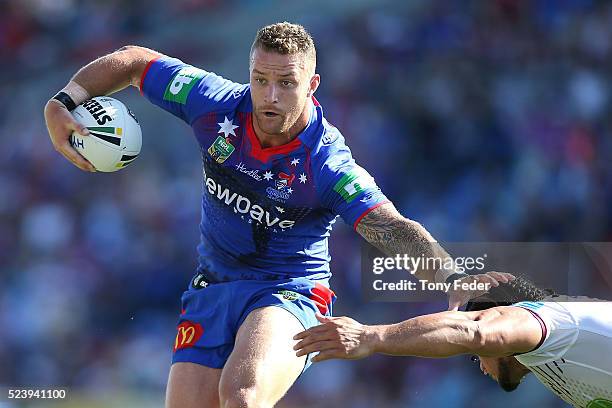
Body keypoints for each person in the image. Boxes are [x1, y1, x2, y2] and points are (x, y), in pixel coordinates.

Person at [44, 22, 509, 408]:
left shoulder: (326, 163)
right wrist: (62, 102)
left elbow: (388, 226)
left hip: (289, 293)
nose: (270, 96)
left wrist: (453, 278)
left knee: (241, 397)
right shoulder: (214, 103)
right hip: (213, 287)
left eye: (286, 83)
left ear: (312, 85)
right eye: (261, 79)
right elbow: (134, 61)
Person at [294, 276, 612, 407]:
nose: (481, 364)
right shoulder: (550, 337)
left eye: (476, 357)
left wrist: (371, 337)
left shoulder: (544, 323)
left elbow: (476, 332)